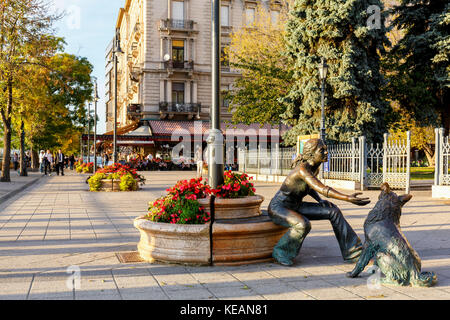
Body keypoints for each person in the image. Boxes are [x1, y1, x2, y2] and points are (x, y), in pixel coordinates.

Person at [268, 138, 370, 266]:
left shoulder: (314, 168)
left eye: (326, 150)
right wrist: (347, 198)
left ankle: (353, 252)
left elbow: (309, 187)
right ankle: (280, 252)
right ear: (311, 154)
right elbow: (323, 189)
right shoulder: (302, 170)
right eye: (322, 150)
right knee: (303, 224)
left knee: (333, 211)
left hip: (296, 206)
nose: (327, 153)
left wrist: (320, 200)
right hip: (279, 207)